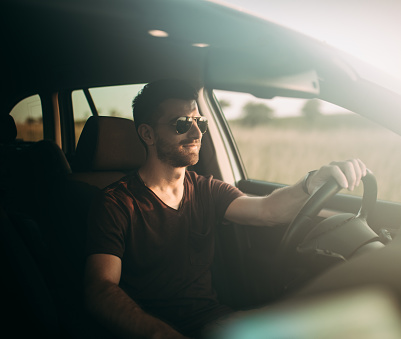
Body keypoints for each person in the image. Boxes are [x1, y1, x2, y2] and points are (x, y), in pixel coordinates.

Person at [84, 79, 367, 339]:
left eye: (200, 122)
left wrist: (310, 184)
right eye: (181, 124)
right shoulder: (116, 203)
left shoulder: (206, 189)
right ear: (147, 134)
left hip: (215, 322)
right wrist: (161, 334)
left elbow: (267, 210)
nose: (196, 132)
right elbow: (101, 289)